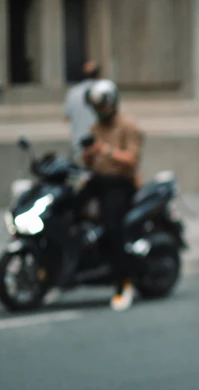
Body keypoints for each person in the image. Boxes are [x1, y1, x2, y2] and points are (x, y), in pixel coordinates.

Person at [81, 79, 144, 312]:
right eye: (96, 108)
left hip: (120, 183)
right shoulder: (96, 127)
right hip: (97, 180)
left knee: (112, 227)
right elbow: (87, 159)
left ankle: (123, 283)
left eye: (102, 107)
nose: (99, 112)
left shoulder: (128, 126)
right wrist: (88, 155)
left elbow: (132, 160)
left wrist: (104, 150)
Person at [63, 60, 101, 162]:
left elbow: (66, 118)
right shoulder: (103, 90)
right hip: (100, 149)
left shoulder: (73, 92)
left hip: (78, 147)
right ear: (99, 74)